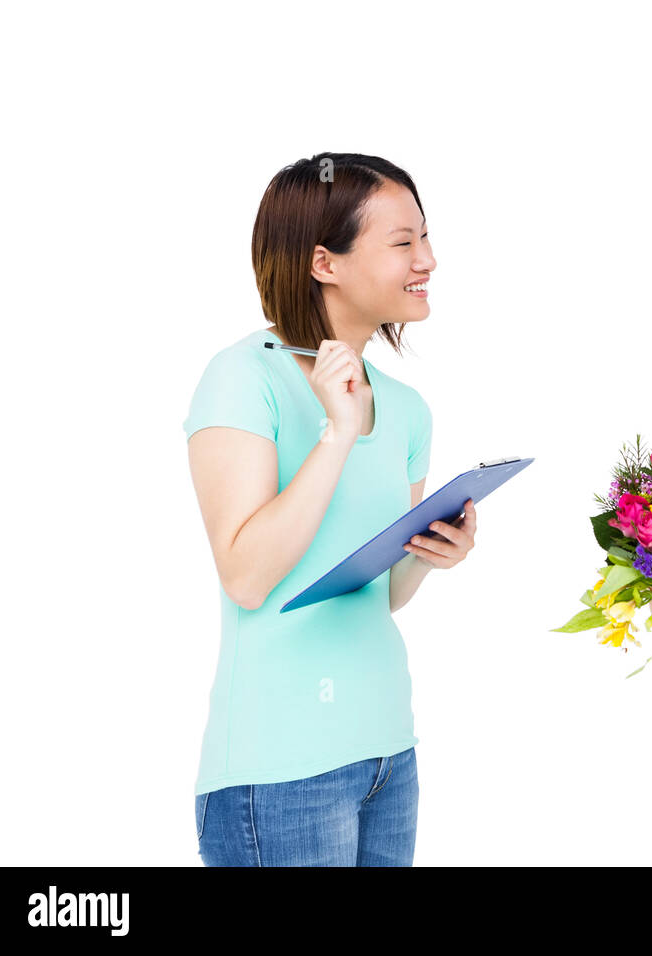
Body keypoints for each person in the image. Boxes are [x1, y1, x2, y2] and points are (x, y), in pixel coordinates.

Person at [183, 152, 477, 866]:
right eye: (403, 241)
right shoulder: (241, 378)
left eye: (426, 238)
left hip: (386, 753)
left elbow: (384, 595)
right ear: (324, 261)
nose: (428, 259)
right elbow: (247, 577)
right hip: (279, 769)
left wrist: (437, 554)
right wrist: (337, 434)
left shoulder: (407, 409)